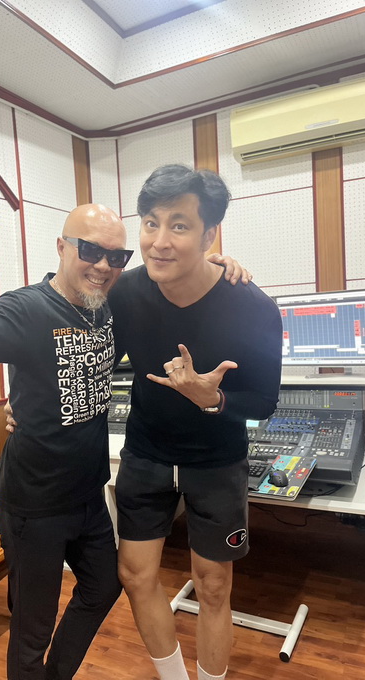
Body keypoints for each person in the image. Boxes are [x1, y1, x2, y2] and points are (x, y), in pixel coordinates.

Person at [0, 202, 249, 680]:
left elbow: (172, 272)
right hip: (33, 502)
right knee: (33, 630)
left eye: (117, 256)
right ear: (62, 247)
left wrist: (216, 262)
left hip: (87, 495)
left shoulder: (109, 306)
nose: (104, 266)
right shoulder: (25, 309)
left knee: (104, 587)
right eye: (90, 251)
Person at [108, 165, 283, 680]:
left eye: (179, 226)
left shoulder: (252, 306)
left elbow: (264, 401)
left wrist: (214, 399)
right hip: (146, 452)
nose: (159, 241)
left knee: (213, 586)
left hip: (216, 461)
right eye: (150, 223)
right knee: (134, 575)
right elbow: (87, 355)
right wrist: (27, 401)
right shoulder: (125, 294)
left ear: (210, 235)